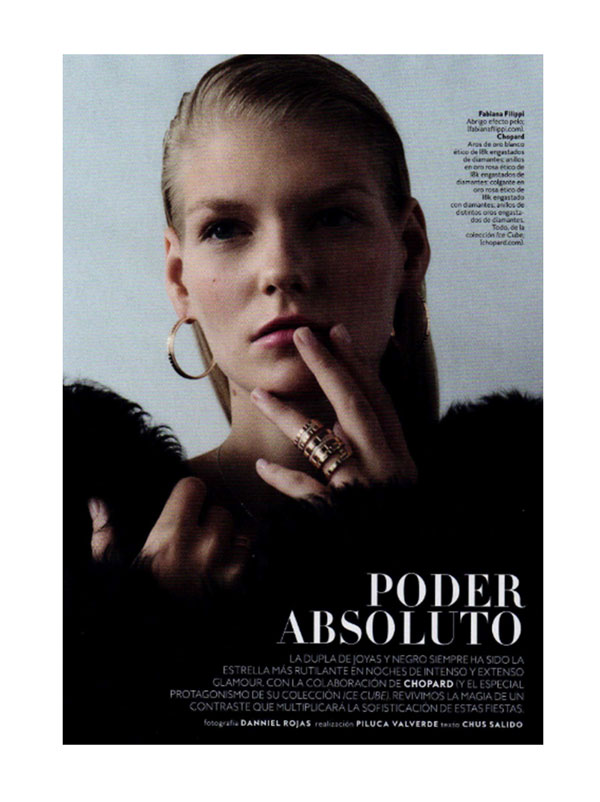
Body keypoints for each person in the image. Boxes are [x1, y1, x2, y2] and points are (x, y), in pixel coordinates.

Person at [64, 55, 541, 744]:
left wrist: (403, 562)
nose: (282, 268)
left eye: (331, 217)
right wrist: (136, 631)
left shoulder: (535, 508)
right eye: (226, 228)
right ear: (179, 278)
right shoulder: (71, 518)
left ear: (409, 249)